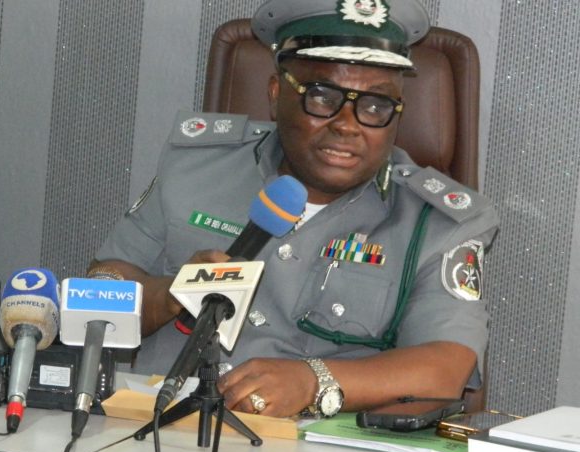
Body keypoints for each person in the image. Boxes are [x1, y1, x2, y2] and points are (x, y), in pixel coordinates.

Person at [91, 0, 498, 418]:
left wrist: (314, 381)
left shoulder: (438, 222)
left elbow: (447, 367)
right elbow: (101, 287)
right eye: (322, 97)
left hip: (315, 446)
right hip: (156, 432)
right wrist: (170, 294)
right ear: (276, 93)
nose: (347, 124)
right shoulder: (194, 168)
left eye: (375, 105)